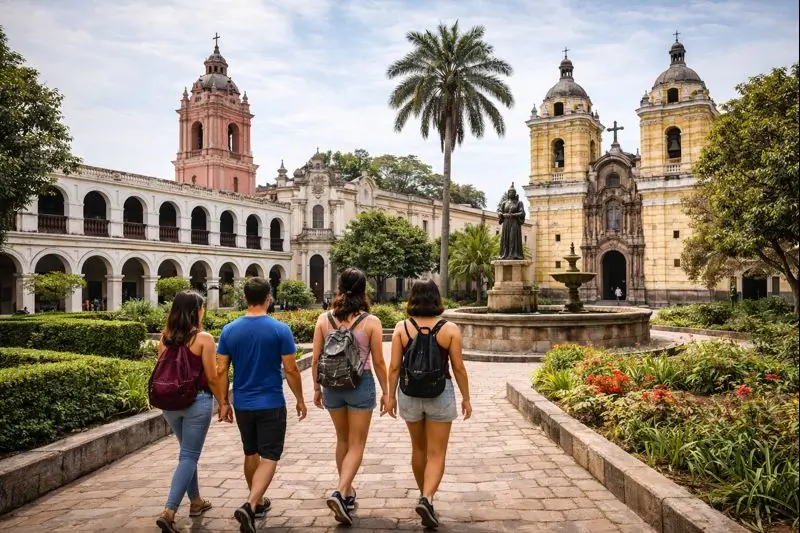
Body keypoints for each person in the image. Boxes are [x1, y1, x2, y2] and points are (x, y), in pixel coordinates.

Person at [216, 278, 307, 533]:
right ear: (269, 297)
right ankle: (250, 503)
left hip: (243, 403)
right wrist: (300, 399)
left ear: (245, 298)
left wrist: (223, 402)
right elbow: (291, 369)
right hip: (271, 402)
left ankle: (255, 502)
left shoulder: (229, 330)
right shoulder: (280, 330)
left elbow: (221, 370)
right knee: (269, 456)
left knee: (250, 453)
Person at [386, 279, 472, 529]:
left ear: (412, 298)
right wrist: (466, 398)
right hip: (440, 393)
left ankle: (424, 495)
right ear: (436, 297)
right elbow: (458, 367)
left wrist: (390, 397)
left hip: (409, 393)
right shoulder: (450, 329)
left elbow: (394, 367)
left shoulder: (402, 327)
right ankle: (428, 498)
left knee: (418, 449)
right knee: (437, 453)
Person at [311, 268, 390, 526]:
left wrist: (316, 388)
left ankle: (347, 493)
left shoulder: (324, 319)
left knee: (342, 439)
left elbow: (315, 359)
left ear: (339, 287)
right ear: (363, 289)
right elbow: (378, 362)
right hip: (360, 383)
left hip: (332, 385)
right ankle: (341, 491)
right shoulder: (371, 322)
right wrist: (387, 391)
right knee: (357, 443)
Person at [155, 291, 230, 533]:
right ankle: (169, 511)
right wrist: (223, 402)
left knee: (187, 453)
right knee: (189, 455)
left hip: (170, 404)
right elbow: (212, 376)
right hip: (196, 401)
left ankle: (196, 501)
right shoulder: (203, 339)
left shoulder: (164, 338)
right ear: (197, 311)